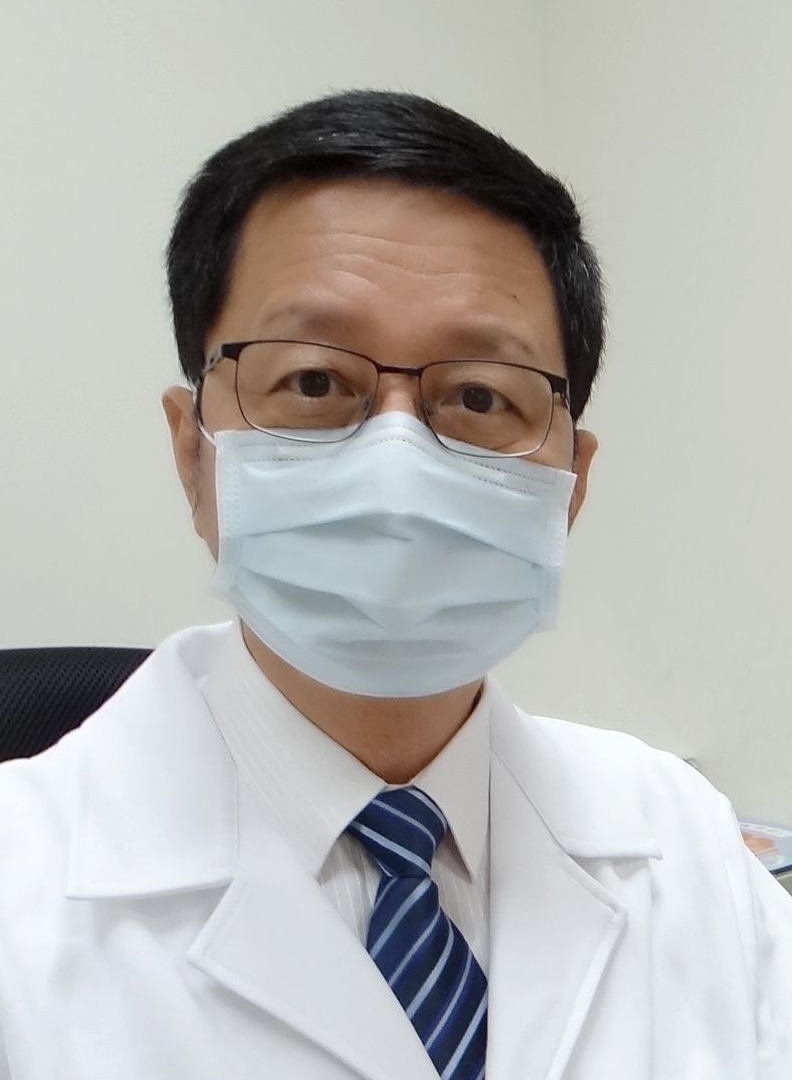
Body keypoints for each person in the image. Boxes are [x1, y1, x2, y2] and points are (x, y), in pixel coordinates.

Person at [0, 90, 789, 1080]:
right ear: (192, 452)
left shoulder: (692, 846)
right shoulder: (20, 893)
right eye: (315, 383)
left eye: (479, 396)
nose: (397, 471)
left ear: (571, 487)